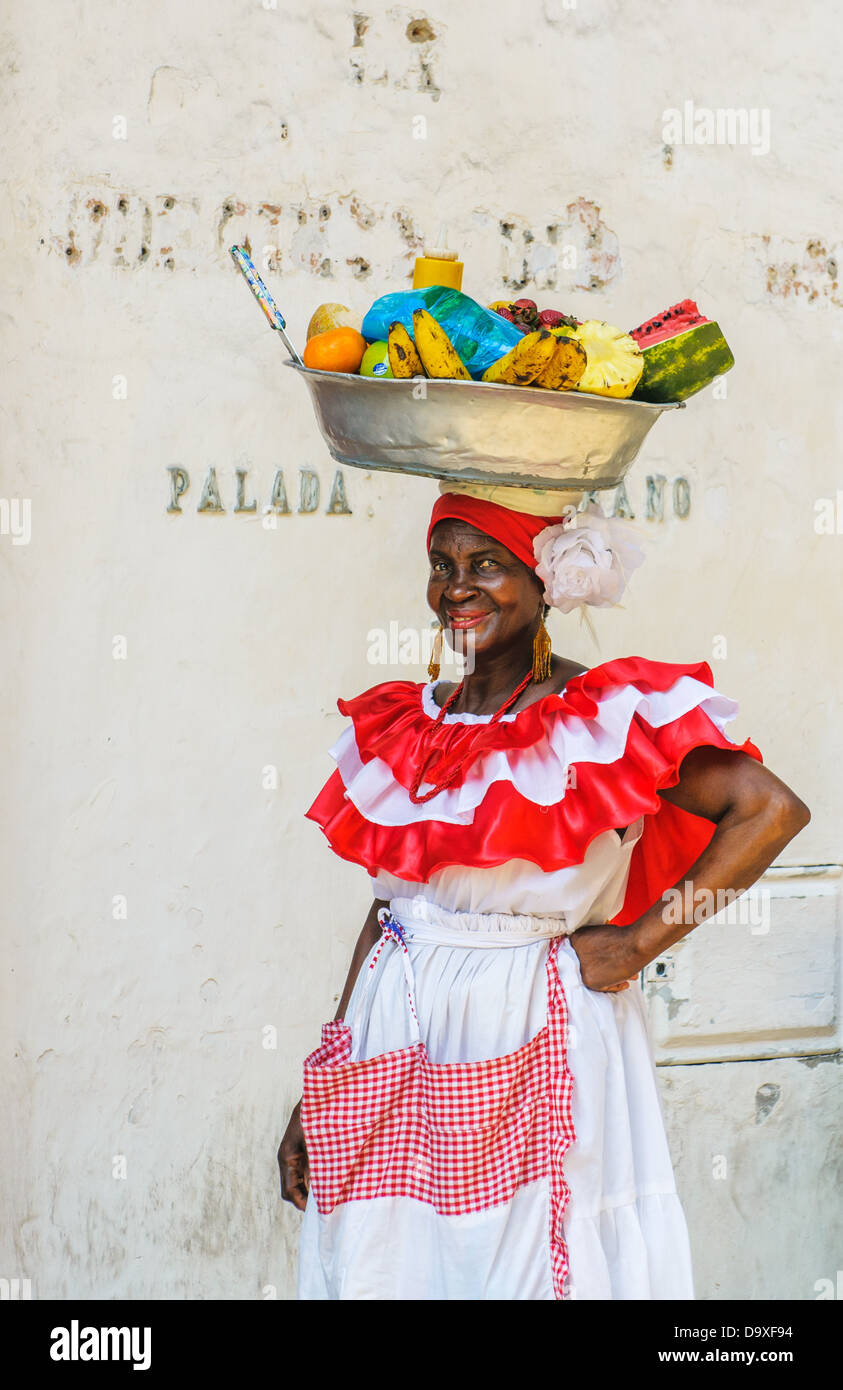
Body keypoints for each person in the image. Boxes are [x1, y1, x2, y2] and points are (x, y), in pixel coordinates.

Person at [278, 484, 810, 1300]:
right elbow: (393, 907)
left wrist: (639, 944)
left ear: (545, 581)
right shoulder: (409, 723)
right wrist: (324, 1085)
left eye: (485, 564)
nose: (456, 587)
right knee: (393, 1258)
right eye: (441, 564)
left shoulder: (597, 713)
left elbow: (769, 812)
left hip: (534, 1013)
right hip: (398, 1026)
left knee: (530, 1253)